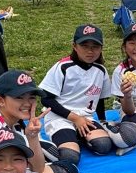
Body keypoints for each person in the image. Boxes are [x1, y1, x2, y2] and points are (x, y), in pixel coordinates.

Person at [39, 25, 115, 165]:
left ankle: (77, 136)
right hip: (60, 117)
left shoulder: (101, 70)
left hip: (85, 118)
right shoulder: (63, 67)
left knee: (104, 146)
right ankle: (45, 143)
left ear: (101, 48)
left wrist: (102, 120)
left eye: (95, 47)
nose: (90, 51)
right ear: (74, 46)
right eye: (84, 46)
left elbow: (100, 99)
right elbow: (46, 99)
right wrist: (75, 119)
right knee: (70, 157)